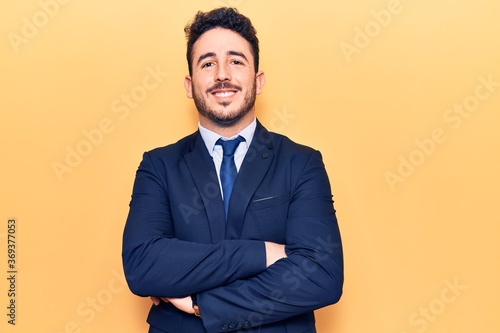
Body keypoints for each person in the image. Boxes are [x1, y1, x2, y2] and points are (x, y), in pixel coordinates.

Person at [122, 7, 343, 333]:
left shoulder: (302, 163)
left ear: (258, 80)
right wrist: (263, 252)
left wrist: (201, 303)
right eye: (208, 63)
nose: (222, 74)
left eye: (236, 61)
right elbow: (142, 265)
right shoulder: (159, 166)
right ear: (189, 84)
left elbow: (321, 274)